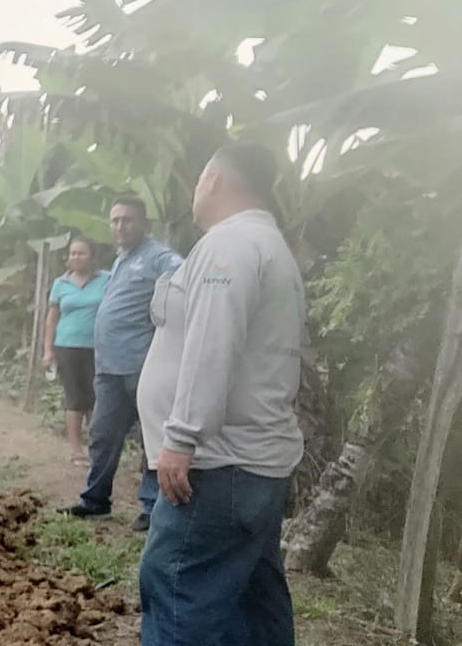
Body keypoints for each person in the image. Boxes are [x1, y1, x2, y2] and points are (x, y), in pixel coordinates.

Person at [136, 141, 305, 645]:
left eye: (198, 181)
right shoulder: (266, 244)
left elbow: (214, 342)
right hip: (253, 466)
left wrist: (182, 437)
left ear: (213, 180)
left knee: (177, 588)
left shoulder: (229, 244)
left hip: (218, 467)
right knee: (252, 601)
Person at [58, 195, 183, 533]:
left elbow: (183, 277)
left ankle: (152, 507)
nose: (120, 226)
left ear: (145, 224)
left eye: (127, 220)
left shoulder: (157, 256)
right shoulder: (122, 260)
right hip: (109, 368)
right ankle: (95, 500)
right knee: (102, 434)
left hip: (142, 366)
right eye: (114, 220)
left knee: (151, 438)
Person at [42, 236, 109, 467]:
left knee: (96, 398)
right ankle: (75, 450)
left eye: (81, 253)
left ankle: (96, 449)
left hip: (98, 348)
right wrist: (48, 350)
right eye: (72, 253)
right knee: (74, 397)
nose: (76, 257)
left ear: (92, 256)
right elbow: (52, 318)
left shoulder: (107, 280)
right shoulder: (61, 284)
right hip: (67, 347)